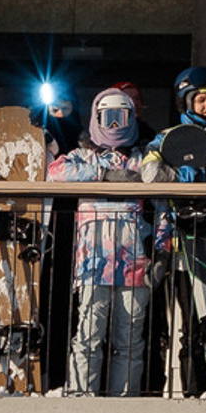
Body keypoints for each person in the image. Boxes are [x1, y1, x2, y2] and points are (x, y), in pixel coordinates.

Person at [145, 67, 206, 396]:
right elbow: (149, 174)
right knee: (188, 327)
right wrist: (182, 174)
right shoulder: (167, 136)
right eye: (200, 99)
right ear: (186, 101)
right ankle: (192, 393)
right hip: (184, 241)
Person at [51, 86, 152, 396]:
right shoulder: (81, 155)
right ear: (96, 118)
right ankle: (81, 397)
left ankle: (124, 401)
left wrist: (160, 251)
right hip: (93, 263)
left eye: (120, 117)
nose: (113, 126)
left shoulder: (143, 157)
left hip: (134, 263)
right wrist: (105, 175)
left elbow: (161, 200)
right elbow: (55, 173)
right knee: (88, 337)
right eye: (107, 118)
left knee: (130, 341)